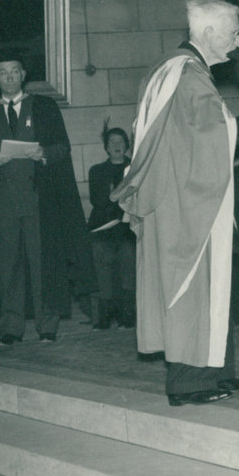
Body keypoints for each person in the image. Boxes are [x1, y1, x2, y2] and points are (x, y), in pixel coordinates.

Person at [111, 0, 239, 407]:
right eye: (234, 34)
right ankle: (189, 383)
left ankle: (216, 370)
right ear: (208, 33)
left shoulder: (169, 67)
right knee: (191, 286)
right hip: (186, 200)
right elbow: (217, 131)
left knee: (211, 282)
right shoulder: (189, 74)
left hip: (179, 191)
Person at [0, 55, 93, 345]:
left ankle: (47, 325)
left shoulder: (43, 106)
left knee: (43, 263)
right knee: (7, 265)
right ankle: (10, 328)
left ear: (23, 74)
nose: (9, 77)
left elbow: (62, 147)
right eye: (3, 73)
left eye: (15, 72)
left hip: (38, 199)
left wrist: (44, 153)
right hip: (2, 201)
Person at [88, 125, 137, 329]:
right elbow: (98, 201)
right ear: (106, 147)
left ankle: (127, 312)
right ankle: (105, 313)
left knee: (128, 253)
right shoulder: (97, 171)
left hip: (129, 227)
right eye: (112, 142)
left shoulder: (136, 168)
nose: (117, 145)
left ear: (127, 145)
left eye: (120, 141)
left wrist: (115, 196)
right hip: (104, 226)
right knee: (100, 251)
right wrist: (118, 195)